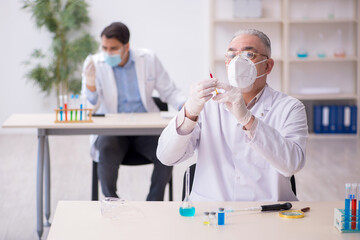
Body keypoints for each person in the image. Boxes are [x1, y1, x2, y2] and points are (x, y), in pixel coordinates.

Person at [157, 29, 308, 201]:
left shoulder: (290, 108)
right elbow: (167, 156)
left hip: (269, 212)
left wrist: (248, 119)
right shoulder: (207, 105)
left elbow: (292, 164)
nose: (238, 61)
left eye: (249, 54)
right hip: (210, 211)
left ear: (268, 66)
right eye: (232, 55)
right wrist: (189, 113)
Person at [81, 22, 186, 201]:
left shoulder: (148, 59)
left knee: (169, 150)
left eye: (113, 48)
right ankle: (113, 204)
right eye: (104, 47)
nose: (107, 53)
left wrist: (188, 108)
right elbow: (89, 108)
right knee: (105, 150)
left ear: (126, 46)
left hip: (145, 129)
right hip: (113, 132)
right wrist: (90, 84)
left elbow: (170, 92)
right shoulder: (95, 64)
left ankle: (154, 204)